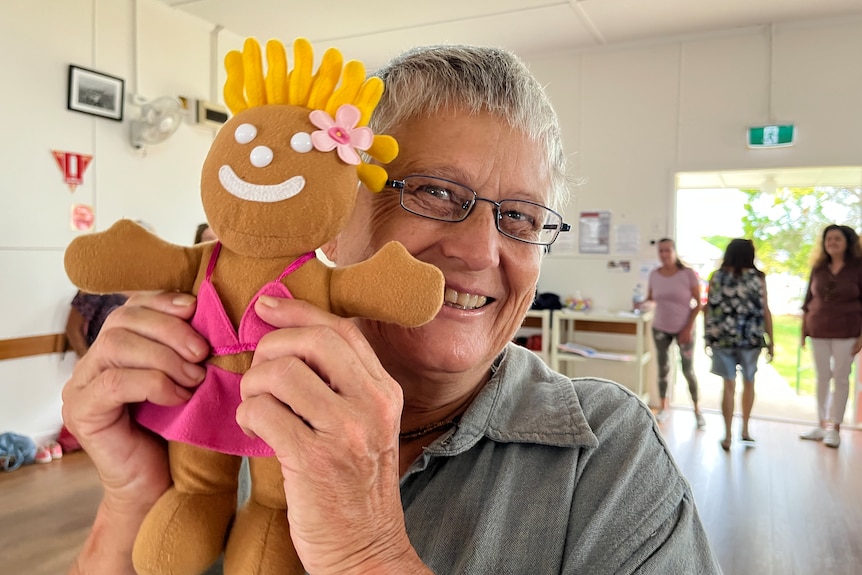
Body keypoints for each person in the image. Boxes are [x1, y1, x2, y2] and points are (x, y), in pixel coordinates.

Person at [62, 43, 721, 574]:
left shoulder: (603, 451)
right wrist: (132, 494)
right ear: (328, 218)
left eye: (520, 216)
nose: (480, 248)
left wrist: (367, 554)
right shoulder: (211, 397)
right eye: (435, 192)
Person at [704, 238, 774, 451]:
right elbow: (765, 309)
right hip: (750, 339)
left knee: (728, 385)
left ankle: (727, 436)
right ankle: (744, 430)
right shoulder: (758, 277)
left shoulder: (717, 277)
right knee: (749, 382)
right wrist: (771, 341)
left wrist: (706, 338)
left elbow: (709, 309)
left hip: (722, 338)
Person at [799, 224, 862, 448]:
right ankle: (821, 424)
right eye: (828, 239)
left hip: (847, 332)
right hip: (818, 330)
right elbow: (807, 302)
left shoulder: (857, 267)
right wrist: (803, 331)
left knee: (842, 378)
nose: (832, 242)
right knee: (822, 377)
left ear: (847, 242)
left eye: (837, 239)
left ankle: (835, 428)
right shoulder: (818, 267)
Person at [647, 238, 704, 427]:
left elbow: (699, 304)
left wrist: (688, 328)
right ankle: (663, 407)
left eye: (667, 250)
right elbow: (649, 299)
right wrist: (639, 304)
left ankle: (697, 410)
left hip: (684, 329)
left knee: (688, 370)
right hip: (661, 328)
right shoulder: (654, 275)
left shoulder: (687, 274)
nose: (664, 254)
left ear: (674, 251)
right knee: (663, 369)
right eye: (661, 251)